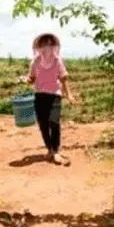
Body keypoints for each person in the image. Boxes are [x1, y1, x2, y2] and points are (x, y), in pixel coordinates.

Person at [20, 33, 75, 165]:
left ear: (54, 46)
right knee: (43, 124)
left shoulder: (57, 61)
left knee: (54, 122)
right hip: (39, 95)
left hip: (55, 95)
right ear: (39, 47)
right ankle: (49, 150)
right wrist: (25, 80)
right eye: (44, 44)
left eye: (50, 44)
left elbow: (63, 78)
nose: (47, 47)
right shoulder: (35, 62)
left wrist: (69, 94)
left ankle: (56, 151)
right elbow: (31, 79)